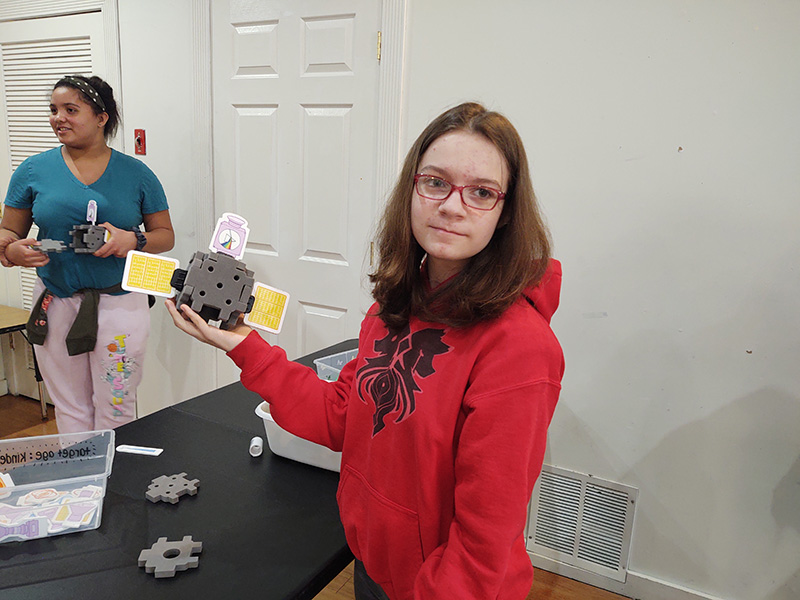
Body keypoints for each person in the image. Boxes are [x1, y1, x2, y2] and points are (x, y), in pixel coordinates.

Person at [168, 102, 563, 599]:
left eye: (481, 192)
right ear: (412, 190)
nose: (452, 205)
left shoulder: (520, 348)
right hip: (375, 565)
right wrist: (245, 345)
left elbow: (485, 541)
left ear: (505, 214)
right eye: (435, 182)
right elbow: (341, 417)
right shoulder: (392, 308)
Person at [0, 74, 174, 433]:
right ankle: (82, 486)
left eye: (70, 110)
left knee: (117, 405)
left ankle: (118, 485)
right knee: (70, 408)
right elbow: (8, 233)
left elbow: (165, 236)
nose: (58, 118)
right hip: (56, 301)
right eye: (53, 110)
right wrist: (12, 250)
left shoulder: (137, 174)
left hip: (121, 304)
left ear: (101, 117)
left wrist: (134, 240)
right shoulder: (33, 170)